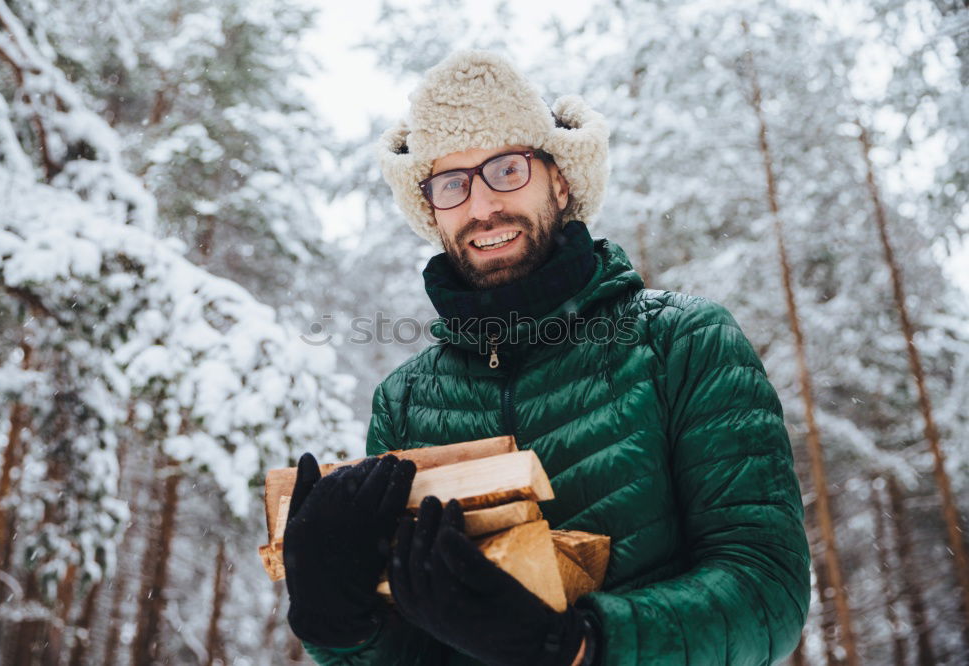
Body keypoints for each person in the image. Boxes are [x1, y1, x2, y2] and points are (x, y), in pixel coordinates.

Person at [282, 50, 811, 666]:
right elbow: (409, 648)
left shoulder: (683, 342)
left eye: (506, 168)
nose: (481, 207)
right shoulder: (403, 402)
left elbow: (766, 593)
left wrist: (579, 645)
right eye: (452, 184)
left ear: (559, 181)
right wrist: (338, 624)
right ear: (432, 210)